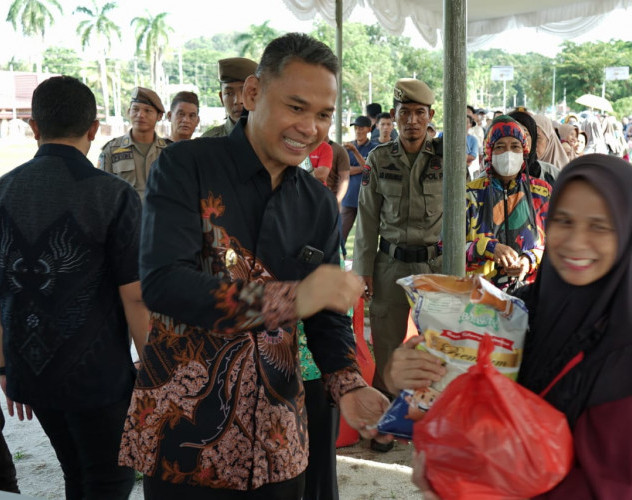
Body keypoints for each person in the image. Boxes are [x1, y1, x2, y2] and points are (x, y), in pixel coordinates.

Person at [118, 33, 390, 499]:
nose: (310, 127)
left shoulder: (318, 206)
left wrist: (349, 385)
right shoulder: (186, 166)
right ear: (252, 94)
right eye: (296, 107)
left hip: (278, 439)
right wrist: (291, 298)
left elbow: (326, 319)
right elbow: (164, 283)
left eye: (324, 114)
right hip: (186, 437)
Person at [393, 154, 632, 500]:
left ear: (627, 231)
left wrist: (463, 483)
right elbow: (465, 384)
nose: (575, 240)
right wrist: (412, 372)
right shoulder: (524, 308)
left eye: (599, 226)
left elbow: (601, 489)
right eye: (563, 221)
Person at [0, 76, 149, 500]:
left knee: (76, 471)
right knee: (109, 478)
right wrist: (156, 369)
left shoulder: (3, 191)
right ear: (94, 128)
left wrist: (4, 366)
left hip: (31, 370)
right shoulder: (114, 195)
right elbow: (134, 294)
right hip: (97, 376)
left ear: (34, 126)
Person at [352, 78, 443, 448]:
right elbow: (367, 219)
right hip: (389, 264)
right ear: (395, 116)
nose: (411, 121)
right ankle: (386, 421)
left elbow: (459, 217)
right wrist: (363, 271)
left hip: (434, 267)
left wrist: (457, 272)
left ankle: (432, 419)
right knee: (387, 344)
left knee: (438, 344)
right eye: (404, 113)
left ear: (430, 116)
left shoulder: (446, 159)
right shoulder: (379, 158)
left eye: (419, 113)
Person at [465, 115, 551, 291]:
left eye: (515, 146)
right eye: (500, 147)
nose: (508, 153)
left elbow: (557, 245)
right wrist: (487, 247)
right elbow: (447, 248)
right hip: (479, 298)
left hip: (530, 294)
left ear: (524, 151)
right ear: (489, 151)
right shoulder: (470, 194)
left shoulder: (542, 193)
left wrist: (530, 260)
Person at [98, 86, 170, 199]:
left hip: (160, 215)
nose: (140, 115)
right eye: (135, 109)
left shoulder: (169, 151)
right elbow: (102, 189)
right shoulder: (112, 149)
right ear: (128, 112)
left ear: (159, 116)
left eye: (147, 110)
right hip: (125, 215)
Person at [341, 115, 378, 248]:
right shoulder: (347, 147)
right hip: (349, 198)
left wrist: (355, 153)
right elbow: (345, 170)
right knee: (341, 234)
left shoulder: (375, 147)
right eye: (356, 128)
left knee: (365, 239)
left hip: (366, 199)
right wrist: (361, 168)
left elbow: (369, 169)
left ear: (369, 129)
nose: (358, 130)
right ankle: (340, 263)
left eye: (361, 128)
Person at [200, 57, 258, 138]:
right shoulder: (208, 142)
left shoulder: (272, 139)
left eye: (244, 92)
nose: (237, 101)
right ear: (221, 98)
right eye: (229, 93)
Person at [508, 108, 559, 185]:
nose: (519, 140)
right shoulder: (488, 179)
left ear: (533, 139)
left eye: (525, 133)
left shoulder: (551, 173)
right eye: (513, 134)